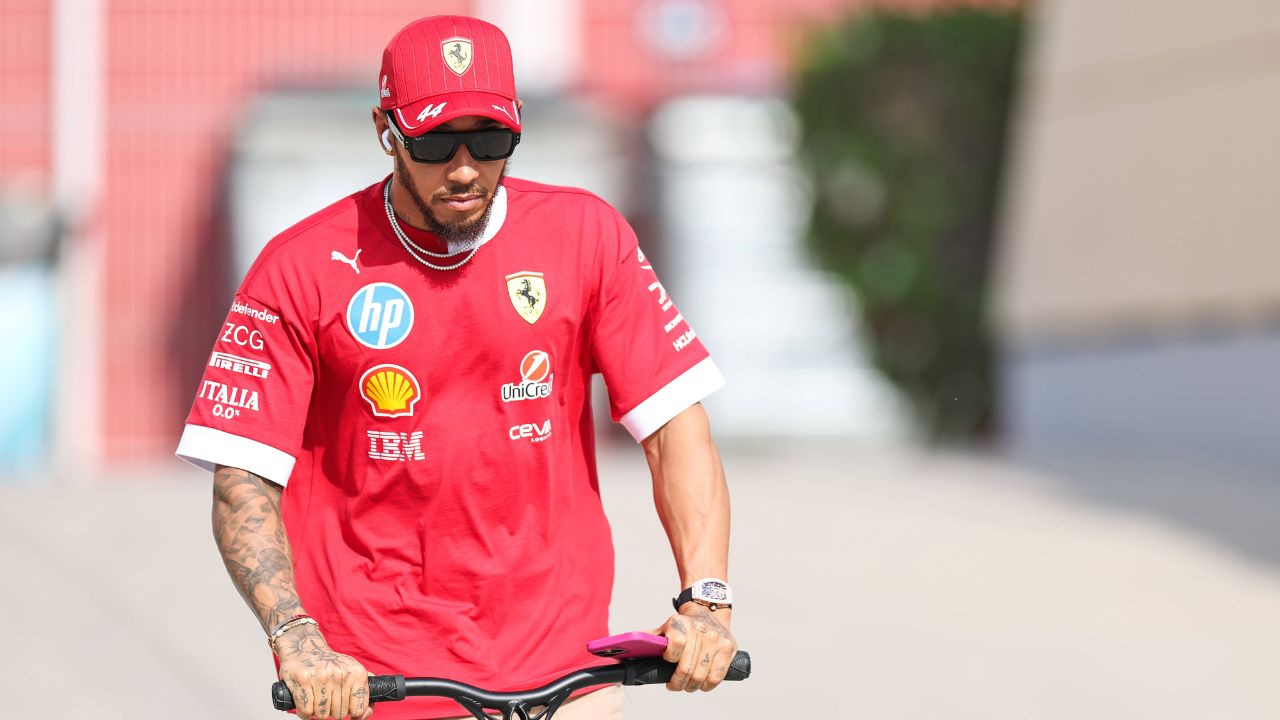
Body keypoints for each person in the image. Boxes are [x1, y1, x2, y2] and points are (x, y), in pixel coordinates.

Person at [177, 14, 735, 720]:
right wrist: (296, 637)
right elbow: (242, 480)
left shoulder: (587, 236)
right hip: (375, 678)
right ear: (387, 130)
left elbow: (674, 423)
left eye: (491, 138)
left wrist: (706, 598)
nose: (466, 166)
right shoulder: (299, 268)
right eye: (436, 140)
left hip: (565, 668)